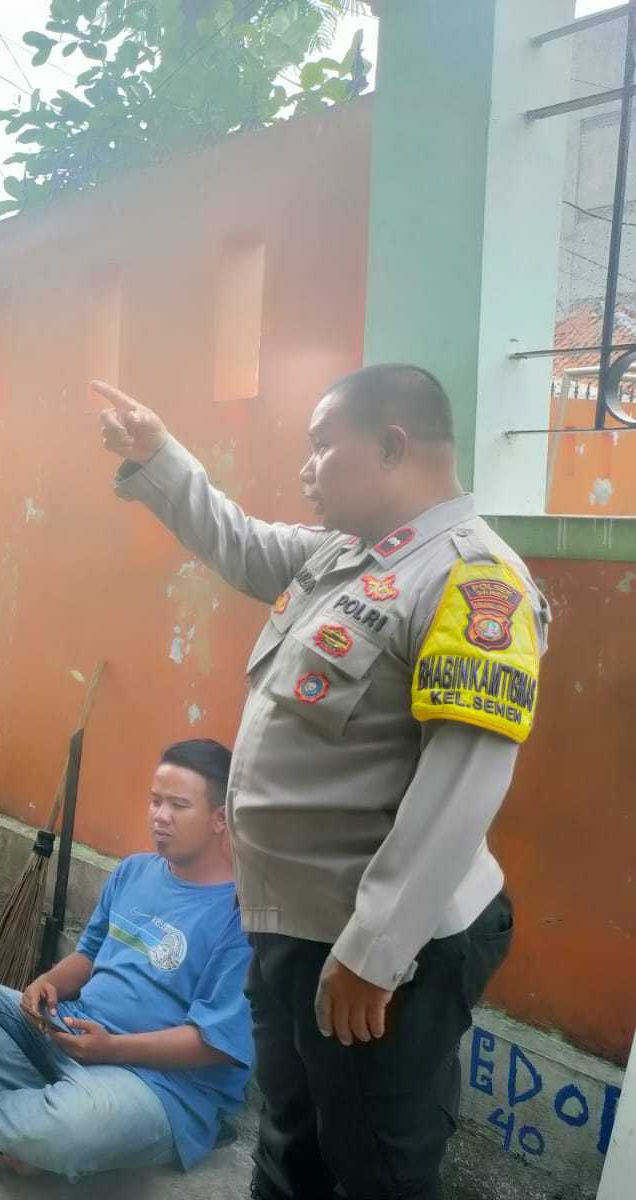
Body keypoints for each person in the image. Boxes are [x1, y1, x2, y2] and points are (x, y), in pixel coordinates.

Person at [96, 365, 547, 1200]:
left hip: (379, 947)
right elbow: (238, 542)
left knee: (373, 1161)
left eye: (321, 445)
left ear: (391, 445)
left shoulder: (469, 580)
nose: (306, 467)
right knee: (293, 1139)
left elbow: (460, 789)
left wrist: (376, 955)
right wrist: (163, 459)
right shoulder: (349, 555)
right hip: (293, 926)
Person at [0, 739, 253, 1181]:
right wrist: (46, 983)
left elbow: (215, 1044)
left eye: (178, 805)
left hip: (159, 1085)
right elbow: (88, 955)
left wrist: (111, 1049)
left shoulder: (240, 916)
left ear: (219, 818)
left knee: (75, 1130)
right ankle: (41, 1121)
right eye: (155, 801)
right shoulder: (134, 870)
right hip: (71, 1032)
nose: (159, 816)